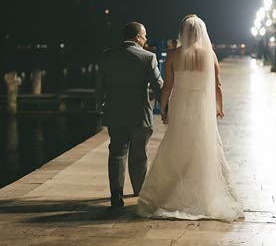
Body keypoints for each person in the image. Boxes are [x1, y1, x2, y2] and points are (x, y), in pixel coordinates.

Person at [136, 15, 243, 221]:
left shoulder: (174, 55)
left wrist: (164, 107)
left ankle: (173, 193)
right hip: (202, 106)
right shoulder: (209, 54)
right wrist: (219, 107)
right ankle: (203, 194)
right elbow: (217, 84)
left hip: (181, 105)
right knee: (202, 146)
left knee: (177, 145)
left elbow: (167, 86)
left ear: (182, 32)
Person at [95, 22, 164, 208]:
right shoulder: (148, 57)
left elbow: (100, 86)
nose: (146, 39)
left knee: (116, 153)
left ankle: (116, 194)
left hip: (115, 113)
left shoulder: (107, 56)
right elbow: (158, 87)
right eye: (145, 36)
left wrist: (100, 106)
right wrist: (165, 107)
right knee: (139, 155)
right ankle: (138, 191)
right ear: (137, 37)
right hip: (140, 114)